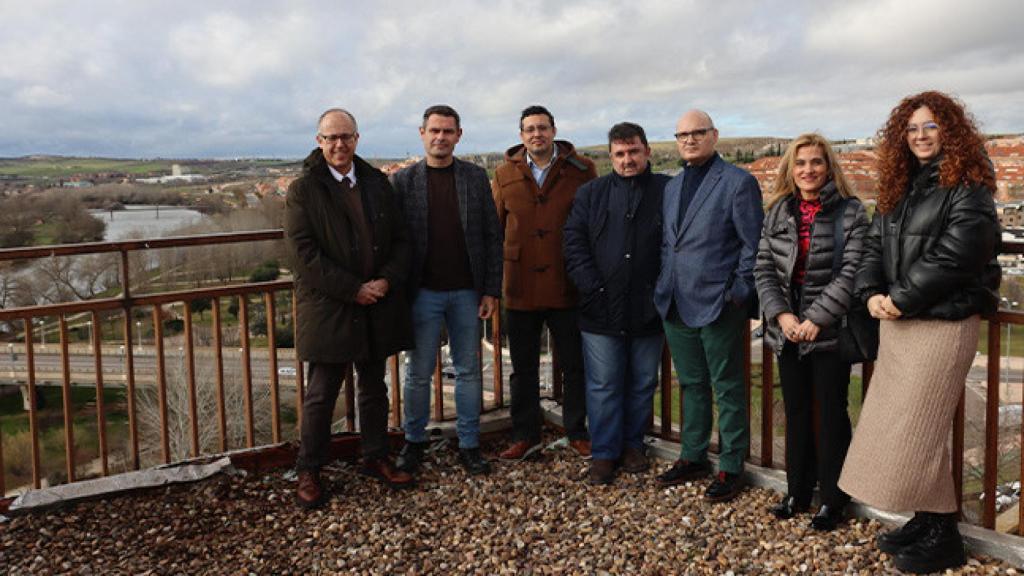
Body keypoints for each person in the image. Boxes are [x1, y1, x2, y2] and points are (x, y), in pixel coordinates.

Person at [838, 91, 1000, 573]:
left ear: (950, 130)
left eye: (931, 126)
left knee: (917, 429)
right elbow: (872, 245)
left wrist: (901, 297)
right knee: (915, 430)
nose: (921, 136)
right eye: (912, 129)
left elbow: (959, 252)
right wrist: (869, 292)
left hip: (942, 322)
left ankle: (945, 538)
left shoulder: (970, 184)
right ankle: (930, 521)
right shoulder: (901, 184)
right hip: (899, 321)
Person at [286, 108, 414, 509]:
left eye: (346, 137)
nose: (339, 145)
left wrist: (385, 281)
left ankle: (375, 457)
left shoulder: (377, 183)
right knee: (322, 394)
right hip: (330, 307)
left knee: (374, 388)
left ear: (357, 139)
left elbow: (402, 241)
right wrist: (352, 289)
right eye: (331, 138)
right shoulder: (304, 189)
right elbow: (303, 255)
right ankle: (309, 469)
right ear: (319, 141)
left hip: (375, 303)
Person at [753, 133, 867, 530]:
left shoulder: (851, 212)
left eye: (816, 162)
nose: (808, 170)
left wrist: (816, 319)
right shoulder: (779, 211)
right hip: (787, 329)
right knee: (797, 411)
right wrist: (782, 316)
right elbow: (763, 267)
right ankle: (797, 491)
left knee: (831, 413)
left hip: (829, 329)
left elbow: (851, 273)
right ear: (790, 168)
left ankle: (833, 500)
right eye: (800, 163)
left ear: (828, 166)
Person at [654, 109, 764, 502]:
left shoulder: (738, 183)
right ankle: (693, 455)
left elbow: (753, 246)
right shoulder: (672, 186)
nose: (689, 140)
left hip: (719, 304)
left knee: (729, 387)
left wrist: (737, 293)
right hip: (675, 303)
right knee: (692, 384)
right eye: (681, 134)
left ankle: (732, 465)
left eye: (697, 133)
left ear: (714, 135)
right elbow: (672, 243)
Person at [391, 105, 503, 476]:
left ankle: (469, 444)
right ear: (422, 133)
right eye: (434, 131)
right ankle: (414, 441)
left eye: (448, 131)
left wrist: (490, 289)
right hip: (422, 292)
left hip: (467, 292)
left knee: (469, 370)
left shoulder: (474, 177)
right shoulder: (404, 182)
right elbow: (393, 241)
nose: (441, 137)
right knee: (418, 372)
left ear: (459, 135)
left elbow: (491, 235)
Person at [563, 122, 669, 485]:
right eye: (620, 154)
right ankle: (605, 453)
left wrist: (661, 292)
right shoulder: (591, 193)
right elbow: (574, 243)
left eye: (634, 152)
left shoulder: (667, 191)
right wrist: (593, 288)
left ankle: (633, 445)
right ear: (610, 157)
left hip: (648, 308)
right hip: (600, 309)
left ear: (647, 152)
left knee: (642, 383)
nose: (627, 159)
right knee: (604, 384)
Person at [492, 105, 597, 461]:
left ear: (554, 131)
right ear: (521, 136)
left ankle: (577, 431)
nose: (536, 134)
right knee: (523, 367)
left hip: (566, 283)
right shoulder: (504, 173)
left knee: (574, 364)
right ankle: (525, 435)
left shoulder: (582, 171)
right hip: (519, 285)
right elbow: (495, 228)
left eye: (542, 128)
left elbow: (592, 227)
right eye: (529, 129)